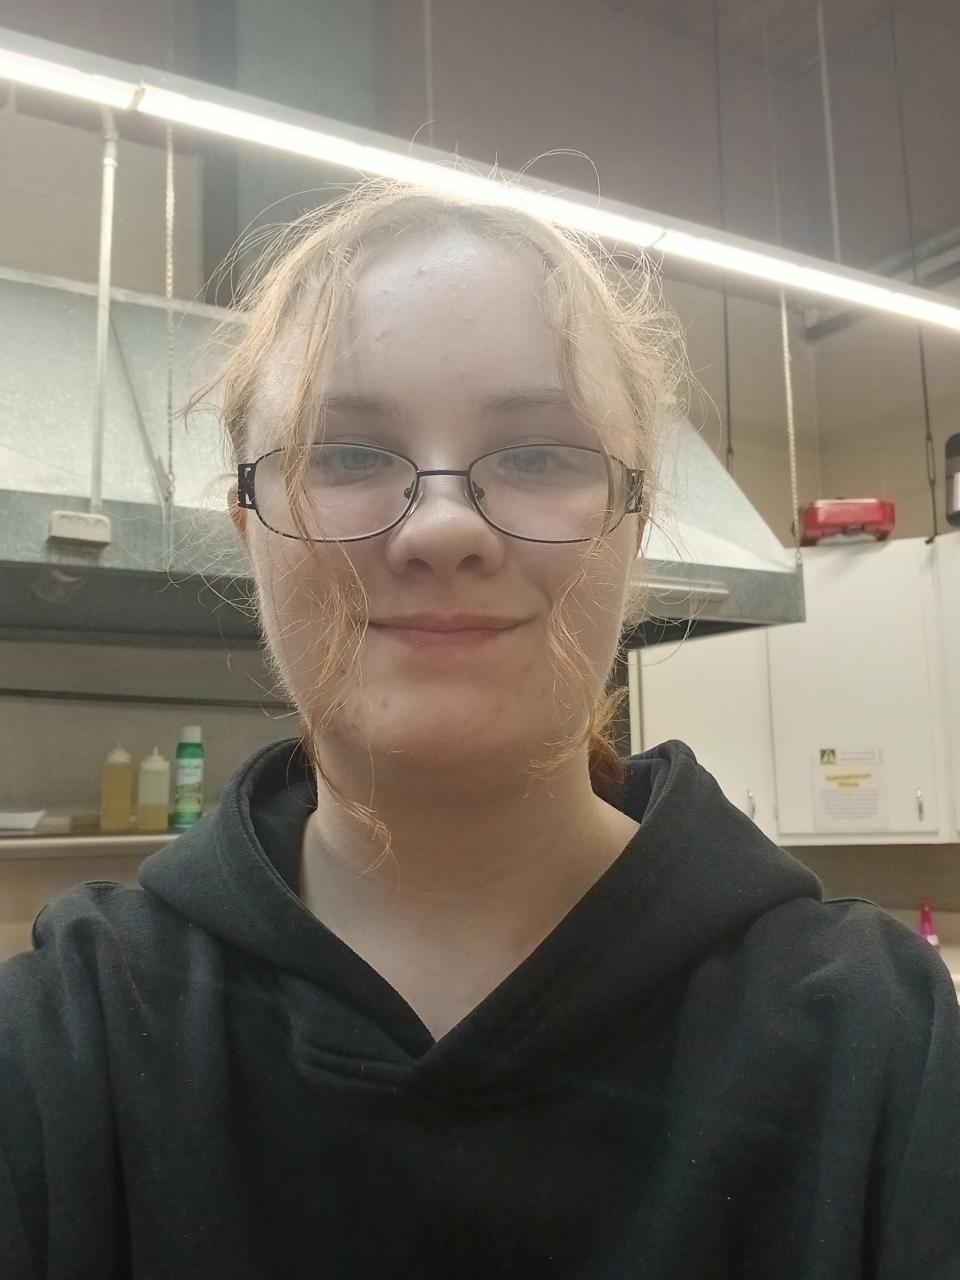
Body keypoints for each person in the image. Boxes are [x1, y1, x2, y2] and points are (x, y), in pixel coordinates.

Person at [1, 181, 958, 1280]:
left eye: (539, 454)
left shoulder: (878, 1047)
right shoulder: (61, 1047)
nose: (444, 527)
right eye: (346, 453)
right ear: (248, 528)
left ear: (633, 521)